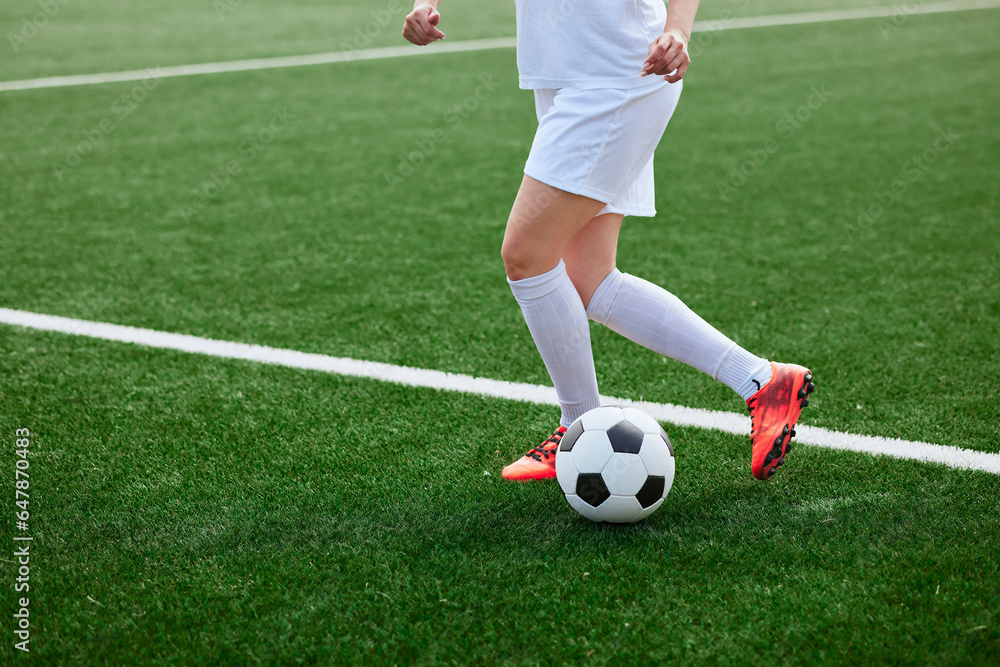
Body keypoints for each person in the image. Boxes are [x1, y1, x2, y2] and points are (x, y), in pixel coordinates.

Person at [402, 0, 814, 481]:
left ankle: (578, 423)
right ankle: (763, 381)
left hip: (619, 74)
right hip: (561, 73)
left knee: (526, 254)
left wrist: (679, 30)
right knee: (588, 280)